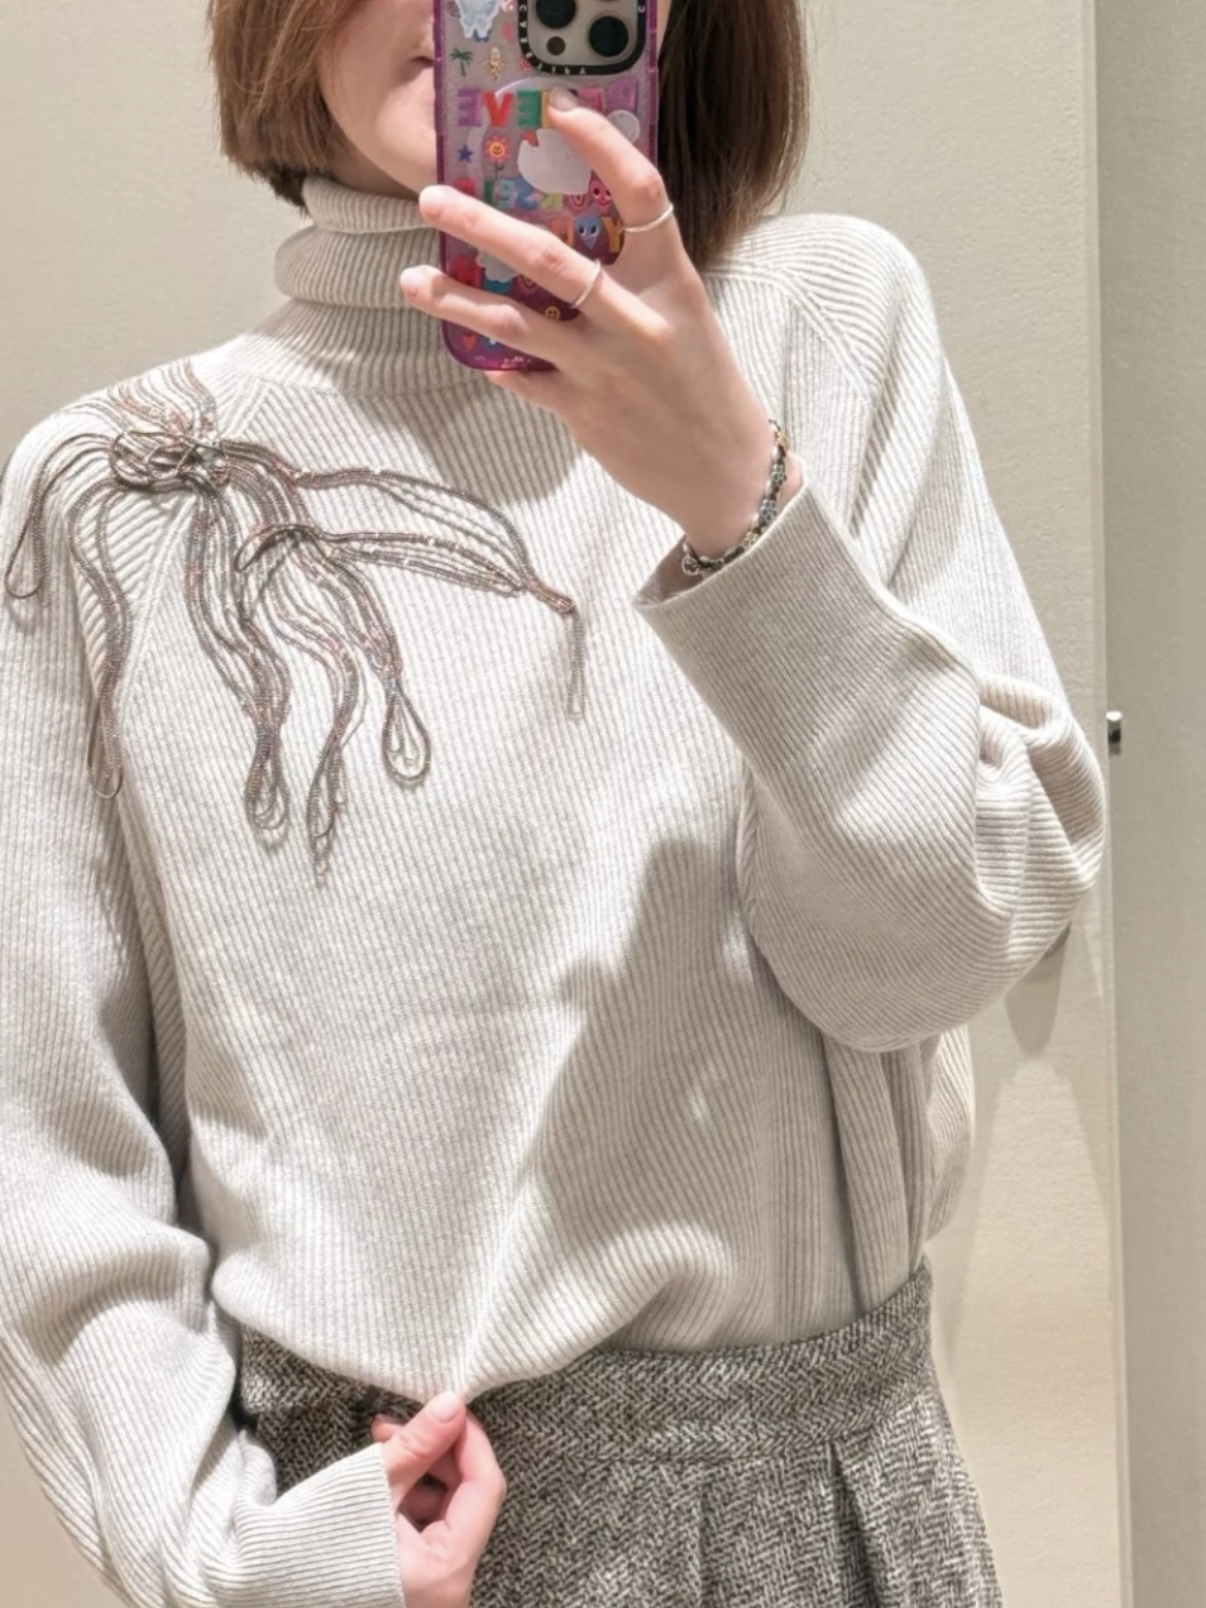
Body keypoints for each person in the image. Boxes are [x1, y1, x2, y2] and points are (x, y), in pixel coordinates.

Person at [0, 0, 1107, 1604]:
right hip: (376, 1533)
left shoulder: (818, 330)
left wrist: (741, 513)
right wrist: (246, 1566)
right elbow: (51, 1146)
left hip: (811, 1513)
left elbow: (928, 952)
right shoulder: (115, 491)